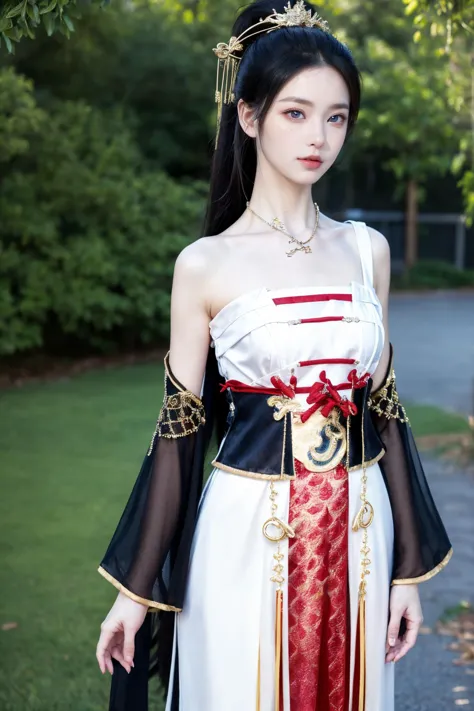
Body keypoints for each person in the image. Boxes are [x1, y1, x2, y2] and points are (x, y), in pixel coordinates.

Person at [95, 2, 453, 710]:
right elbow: (177, 432)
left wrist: (407, 572)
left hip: (363, 527)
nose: (318, 136)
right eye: (295, 112)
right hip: (246, 537)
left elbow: (386, 413)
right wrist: (137, 591)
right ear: (249, 117)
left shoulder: (365, 251)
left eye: (337, 116)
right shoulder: (204, 265)